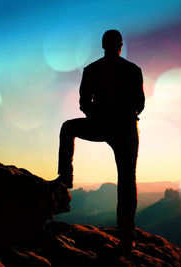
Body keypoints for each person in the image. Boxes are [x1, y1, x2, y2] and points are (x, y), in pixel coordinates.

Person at [53, 29, 145, 253]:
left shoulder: (92, 70)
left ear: (103, 45)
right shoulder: (133, 70)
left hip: (102, 125)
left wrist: (98, 117)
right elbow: (140, 103)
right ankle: (126, 239)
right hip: (125, 130)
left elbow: (84, 103)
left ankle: (66, 176)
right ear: (121, 45)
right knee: (126, 181)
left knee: (68, 128)